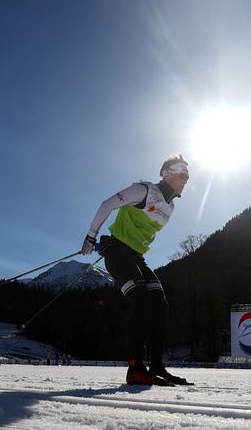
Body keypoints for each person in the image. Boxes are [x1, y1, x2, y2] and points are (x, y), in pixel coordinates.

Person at [82, 153, 191, 386]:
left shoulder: (170, 207)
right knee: (142, 301)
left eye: (188, 176)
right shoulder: (143, 190)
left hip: (136, 257)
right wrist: (91, 237)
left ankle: (157, 367)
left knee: (160, 303)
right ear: (167, 174)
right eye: (183, 175)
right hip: (117, 253)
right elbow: (107, 205)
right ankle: (135, 369)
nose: (186, 180)